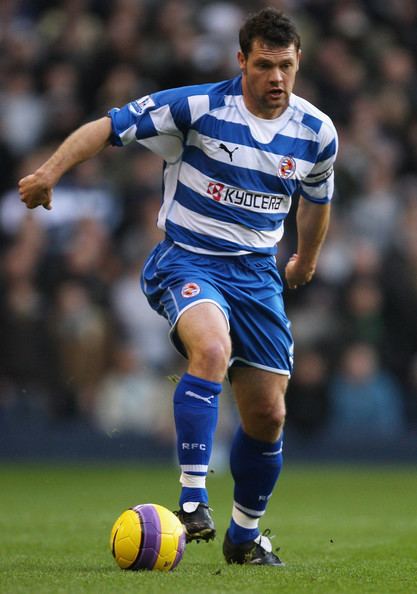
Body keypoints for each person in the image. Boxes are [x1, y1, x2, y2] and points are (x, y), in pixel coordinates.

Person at [18, 8, 337, 566]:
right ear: (242, 61)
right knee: (211, 348)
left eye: (286, 66)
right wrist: (49, 173)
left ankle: (244, 537)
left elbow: (317, 200)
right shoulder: (196, 106)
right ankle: (193, 498)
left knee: (269, 415)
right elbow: (108, 126)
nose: (277, 79)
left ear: (299, 62)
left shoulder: (317, 132)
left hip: (259, 275)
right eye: (264, 65)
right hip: (188, 260)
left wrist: (305, 260)